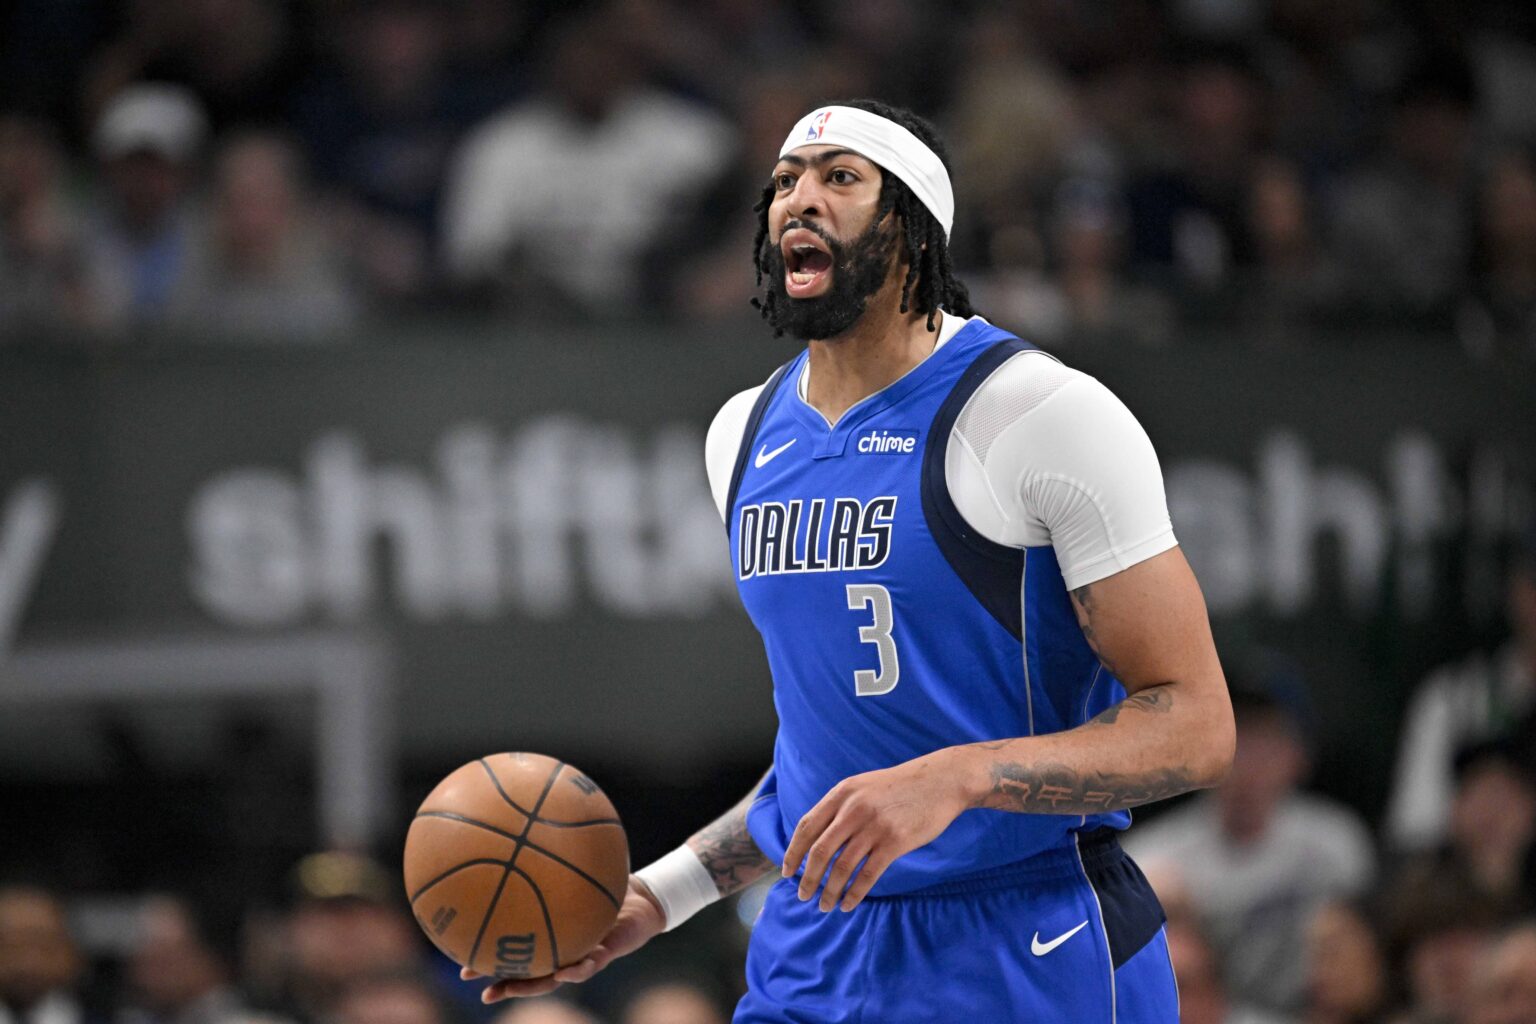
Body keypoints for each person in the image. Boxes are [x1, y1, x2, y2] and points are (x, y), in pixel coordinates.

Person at [465, 99, 1234, 1022]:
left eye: (839, 177)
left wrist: (960, 775)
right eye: (785, 180)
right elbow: (824, 763)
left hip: (1026, 939)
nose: (798, 199)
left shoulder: (1035, 414)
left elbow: (1196, 726)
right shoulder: (742, 434)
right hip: (816, 942)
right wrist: (661, 895)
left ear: (910, 227)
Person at [1125, 680, 1375, 1015]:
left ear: (1298, 755)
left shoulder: (1336, 845)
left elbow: (1365, 968)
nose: (1246, 758)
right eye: (1233, 737)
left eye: (1265, 739)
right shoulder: (1149, 858)